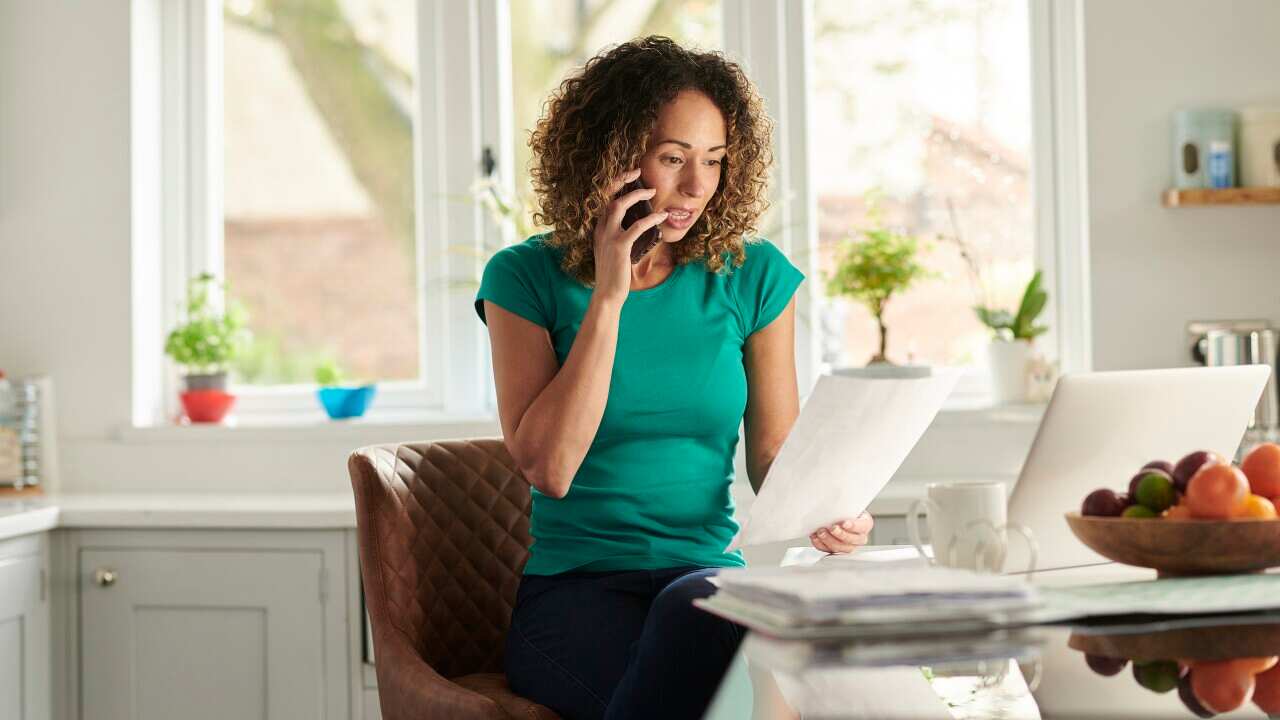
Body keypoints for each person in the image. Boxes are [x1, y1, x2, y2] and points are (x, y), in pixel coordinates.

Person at [473, 35, 874, 720]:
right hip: (577, 594)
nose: (696, 187)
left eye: (714, 161)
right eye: (673, 158)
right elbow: (549, 466)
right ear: (611, 155)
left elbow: (775, 454)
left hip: (706, 585)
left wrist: (829, 505)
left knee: (705, 607)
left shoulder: (753, 276)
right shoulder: (524, 278)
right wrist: (607, 295)